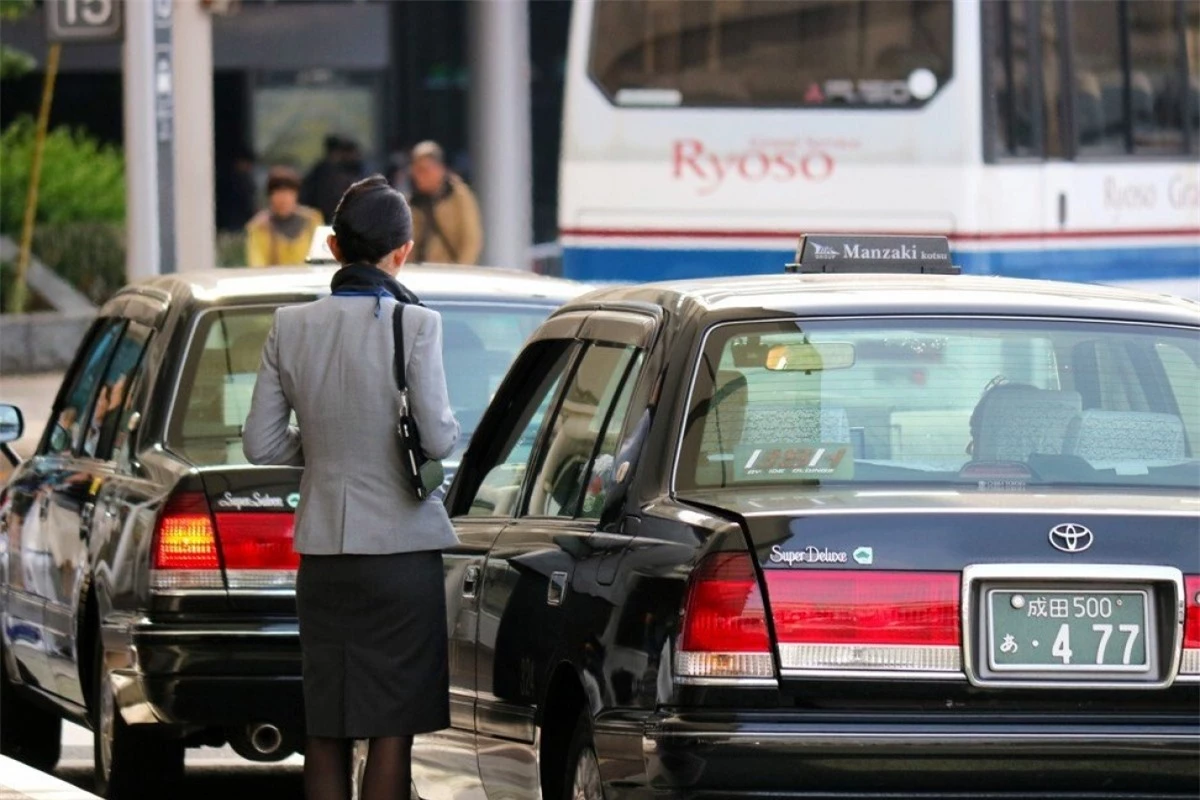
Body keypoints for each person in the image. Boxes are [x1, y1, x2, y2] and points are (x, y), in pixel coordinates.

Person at [242, 175, 460, 800]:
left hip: (325, 562)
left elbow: (261, 443)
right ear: (404, 251)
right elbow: (440, 441)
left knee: (327, 727)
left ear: (333, 248)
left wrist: (326, 447)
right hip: (400, 559)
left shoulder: (289, 324)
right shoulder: (416, 324)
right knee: (391, 731)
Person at [408, 140, 483, 265]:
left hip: (451, 274)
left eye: (424, 170)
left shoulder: (459, 196)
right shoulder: (412, 202)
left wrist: (461, 272)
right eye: (416, 170)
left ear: (439, 169)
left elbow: (472, 240)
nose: (419, 176)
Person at [244, 166, 324, 267]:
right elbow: (257, 265)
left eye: (289, 193)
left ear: (296, 194)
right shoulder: (259, 227)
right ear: (270, 196)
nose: (283, 199)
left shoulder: (312, 220)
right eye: (278, 193)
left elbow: (323, 260)